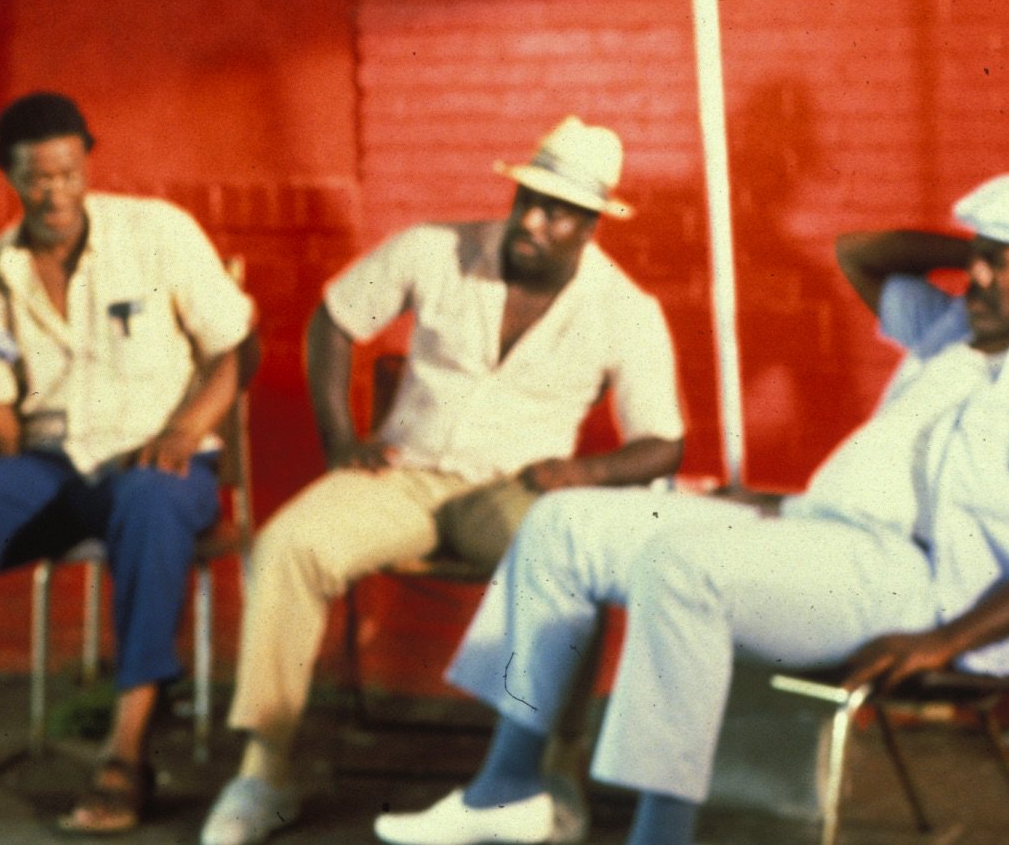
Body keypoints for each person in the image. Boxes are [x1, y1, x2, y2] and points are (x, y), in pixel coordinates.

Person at [374, 172, 1009, 845]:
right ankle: (507, 787)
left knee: (684, 569)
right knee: (561, 523)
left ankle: (659, 836)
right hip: (810, 533)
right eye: (972, 259)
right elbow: (860, 252)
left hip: (921, 587)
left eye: (1001, 264)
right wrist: (982, 245)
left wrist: (948, 637)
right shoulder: (951, 333)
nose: (973, 279)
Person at [202, 116, 685, 845]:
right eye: (529, 199)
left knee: (570, 572)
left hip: (512, 488)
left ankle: (555, 772)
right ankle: (265, 771)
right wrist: (339, 437)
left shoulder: (624, 309)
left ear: (590, 226)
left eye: (559, 213)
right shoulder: (435, 249)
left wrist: (582, 470)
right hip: (404, 472)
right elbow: (334, 318)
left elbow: (663, 442)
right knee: (288, 546)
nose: (534, 221)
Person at [0, 91, 257, 834]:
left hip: (161, 465)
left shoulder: (156, 233)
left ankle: (126, 750)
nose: (55, 192)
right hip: (54, 469)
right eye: (36, 178)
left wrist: (186, 429)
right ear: (10, 176)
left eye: (67, 172)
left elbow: (236, 346)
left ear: (85, 161)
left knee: (148, 501)